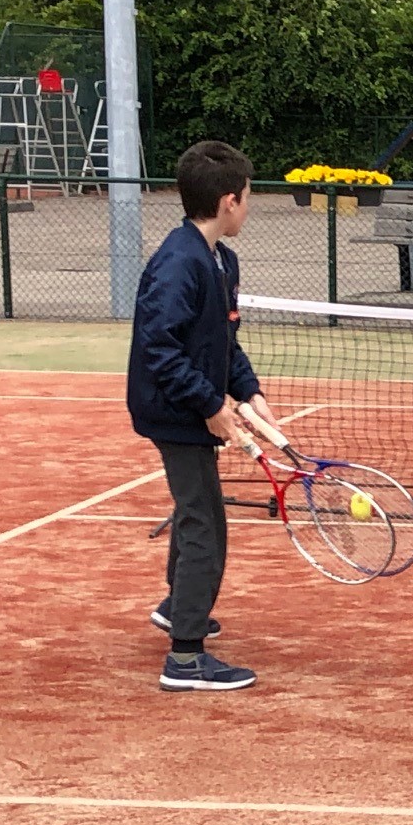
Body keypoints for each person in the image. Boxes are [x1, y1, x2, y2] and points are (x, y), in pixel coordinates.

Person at [127, 140, 274, 692]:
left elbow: (223, 342)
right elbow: (159, 347)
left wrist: (248, 393)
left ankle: (176, 607)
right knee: (204, 526)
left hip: (189, 407)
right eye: (249, 196)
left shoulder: (220, 260)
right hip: (174, 412)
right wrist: (212, 405)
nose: (250, 206)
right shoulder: (178, 264)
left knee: (199, 515)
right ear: (229, 201)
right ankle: (185, 657)